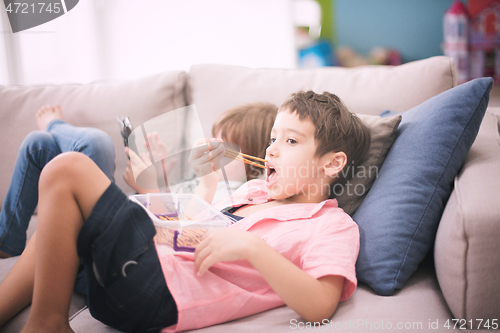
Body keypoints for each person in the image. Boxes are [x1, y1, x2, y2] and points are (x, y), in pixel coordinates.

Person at [0, 91, 371, 333]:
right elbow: (197, 225)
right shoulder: (254, 191)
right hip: (147, 262)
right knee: (62, 219)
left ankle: (47, 324)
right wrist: (203, 185)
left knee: (69, 168)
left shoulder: (333, 225)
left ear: (332, 163)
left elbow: (321, 304)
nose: (271, 150)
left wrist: (253, 249)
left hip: (161, 291)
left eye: (290, 141)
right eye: (272, 138)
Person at [0, 105, 115, 259]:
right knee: (36, 143)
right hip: (104, 217)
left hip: (105, 240)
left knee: (97, 143)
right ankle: (6, 243)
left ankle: (53, 125)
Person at [123, 102, 278, 203]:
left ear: (256, 161)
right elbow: (172, 201)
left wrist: (148, 189)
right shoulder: (209, 178)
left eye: (229, 148)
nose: (214, 149)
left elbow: (178, 224)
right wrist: (160, 177)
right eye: (215, 141)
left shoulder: (234, 194)